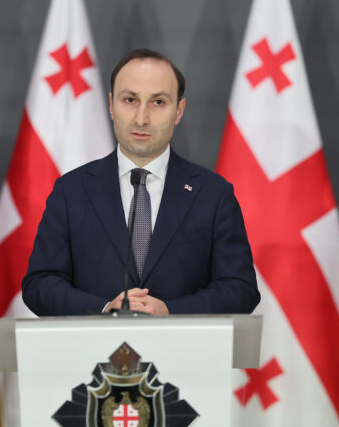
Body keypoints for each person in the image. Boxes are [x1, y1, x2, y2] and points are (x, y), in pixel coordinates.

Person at [22, 49, 260, 316]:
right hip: (96, 342)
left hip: (182, 343)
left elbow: (240, 290)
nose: (141, 118)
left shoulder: (213, 195)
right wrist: (104, 310)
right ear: (111, 105)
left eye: (158, 102)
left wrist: (170, 311)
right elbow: (39, 284)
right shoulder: (71, 192)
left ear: (179, 111)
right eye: (129, 100)